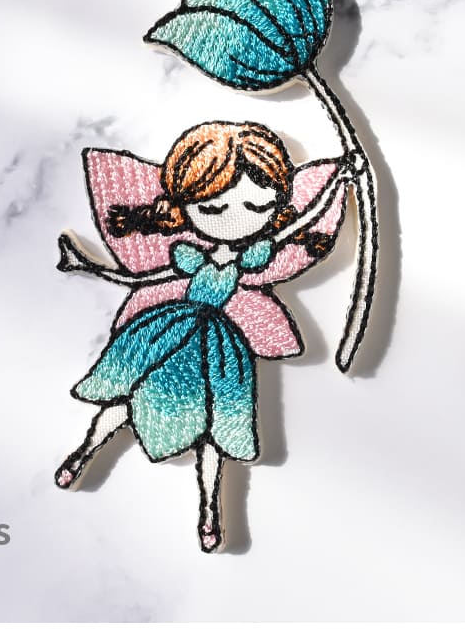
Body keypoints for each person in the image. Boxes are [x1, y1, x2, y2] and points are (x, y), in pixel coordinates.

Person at [54, 120, 357, 553]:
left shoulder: (259, 256)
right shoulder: (186, 255)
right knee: (125, 398)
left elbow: (308, 218)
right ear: (182, 205)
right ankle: (84, 453)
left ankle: (210, 510)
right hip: (166, 332)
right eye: (212, 209)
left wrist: (338, 180)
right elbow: (141, 279)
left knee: (216, 428)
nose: (238, 217)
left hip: (220, 349)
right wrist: (89, 266)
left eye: (257, 207)